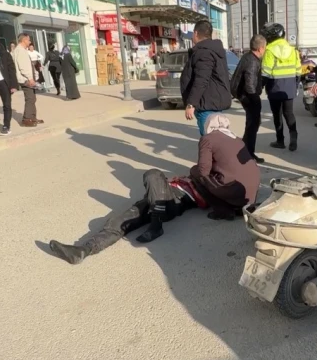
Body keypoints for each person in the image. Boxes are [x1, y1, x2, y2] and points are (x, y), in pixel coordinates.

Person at [47, 113, 261, 265]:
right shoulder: (234, 141)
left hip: (176, 197)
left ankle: (155, 225)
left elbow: (202, 171)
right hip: (174, 197)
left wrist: (192, 174)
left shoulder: (208, 146)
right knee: (130, 217)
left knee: (150, 177)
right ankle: (84, 249)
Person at [180, 20, 232, 136]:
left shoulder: (204, 53)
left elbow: (201, 80)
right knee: (213, 142)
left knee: (210, 143)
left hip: (207, 106)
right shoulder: (213, 50)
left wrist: (191, 104)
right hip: (211, 103)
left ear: (196, 33)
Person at [260, 22, 300, 151]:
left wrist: (259, 86)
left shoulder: (270, 50)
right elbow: (298, 70)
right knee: (289, 113)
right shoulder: (293, 50)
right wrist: (295, 85)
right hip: (289, 87)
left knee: (277, 115)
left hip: (274, 87)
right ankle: (293, 138)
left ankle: (280, 141)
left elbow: (265, 72)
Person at [229, 34, 266, 163]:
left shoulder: (248, 56)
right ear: (261, 48)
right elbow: (250, 84)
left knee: (252, 124)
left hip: (244, 95)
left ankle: (247, 152)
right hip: (248, 96)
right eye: (264, 48)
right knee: (253, 125)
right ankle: (247, 155)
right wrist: (256, 99)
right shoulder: (252, 61)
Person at [12, 33, 41, 127]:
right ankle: (26, 119)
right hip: (25, 79)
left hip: (26, 78)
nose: (30, 42)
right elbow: (23, 67)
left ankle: (32, 118)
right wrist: (30, 78)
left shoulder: (20, 50)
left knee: (32, 98)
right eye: (28, 40)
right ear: (24, 40)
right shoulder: (20, 51)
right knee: (30, 98)